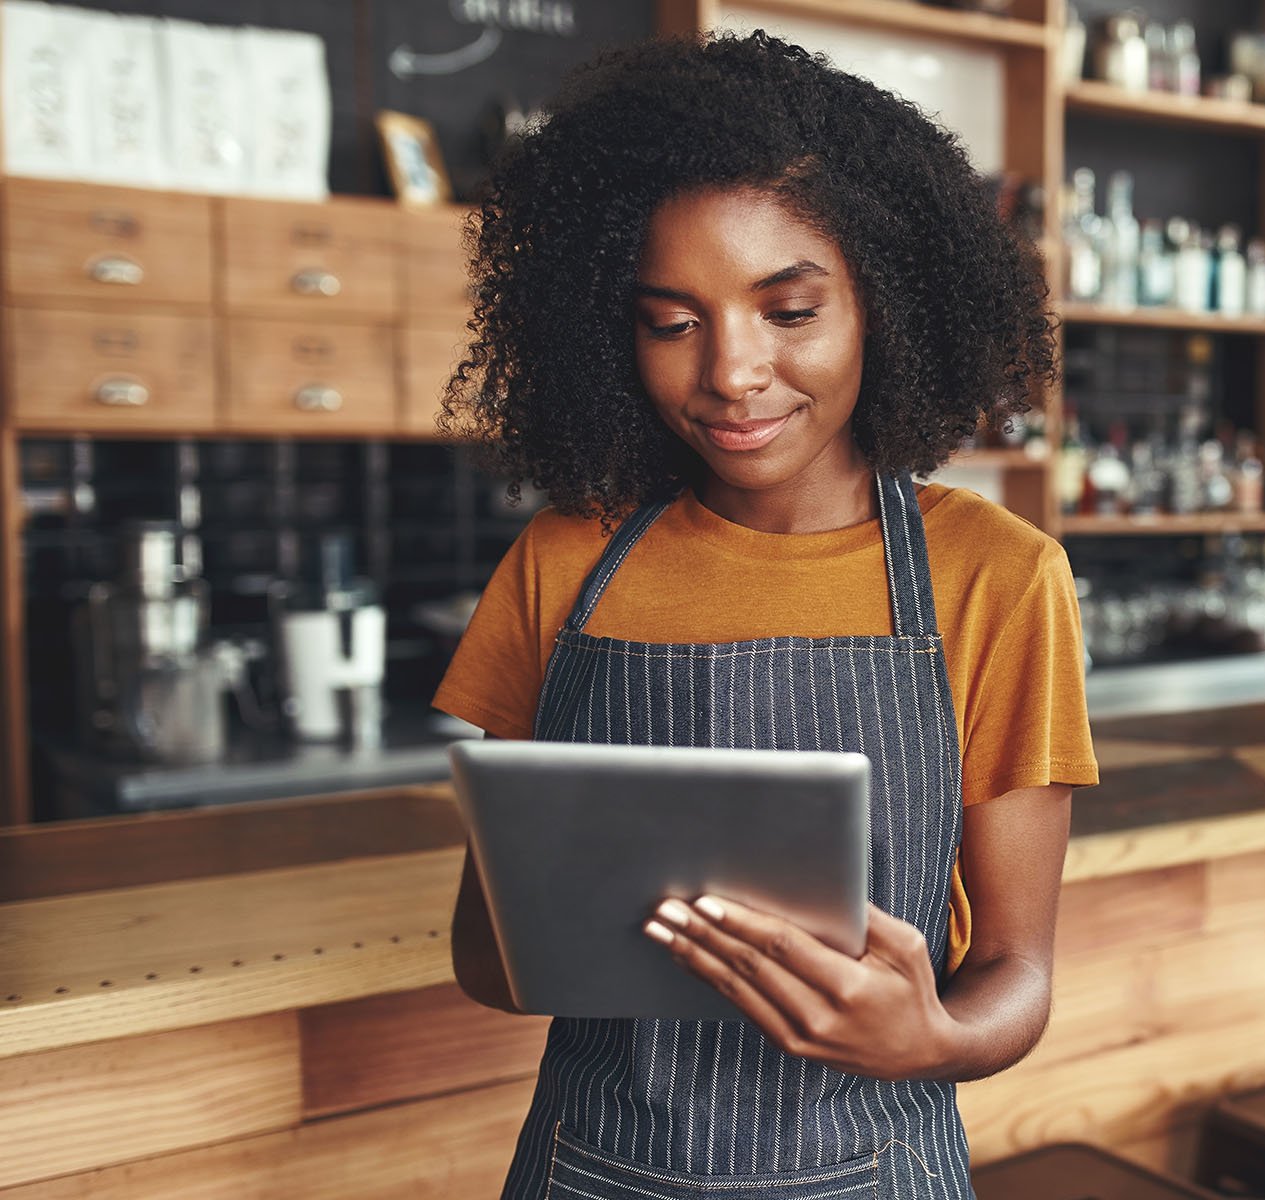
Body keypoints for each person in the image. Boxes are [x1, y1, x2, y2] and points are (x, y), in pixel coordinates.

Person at [432, 33, 1096, 1200]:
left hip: (872, 1166)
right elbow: (484, 957)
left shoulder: (995, 576)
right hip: (593, 1170)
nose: (732, 371)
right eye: (671, 321)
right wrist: (556, 917)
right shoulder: (565, 560)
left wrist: (934, 1040)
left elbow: (1015, 974)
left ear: (884, 303)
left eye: (788, 310)